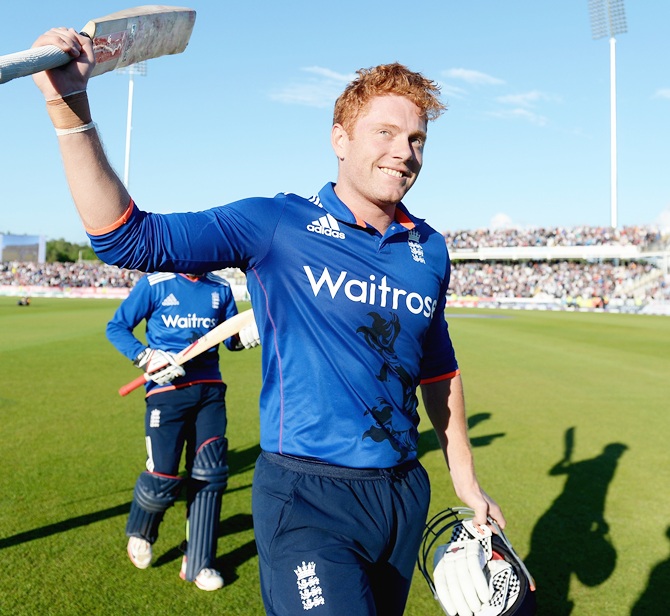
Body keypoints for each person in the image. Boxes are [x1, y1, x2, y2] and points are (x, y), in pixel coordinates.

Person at [32, 28, 505, 615]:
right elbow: (125, 236)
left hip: (403, 494)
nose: (404, 152)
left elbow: (438, 368)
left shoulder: (429, 249)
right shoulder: (278, 224)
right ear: (339, 137)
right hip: (307, 496)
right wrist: (68, 107)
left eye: (416, 138)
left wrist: (465, 478)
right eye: (384, 132)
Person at [106, 271, 260, 591]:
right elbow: (116, 327)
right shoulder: (154, 284)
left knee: (210, 473)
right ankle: (142, 532)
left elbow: (227, 338)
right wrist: (146, 356)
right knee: (163, 473)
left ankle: (199, 560)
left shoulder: (219, 287)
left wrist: (246, 337)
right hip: (166, 391)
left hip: (209, 389)